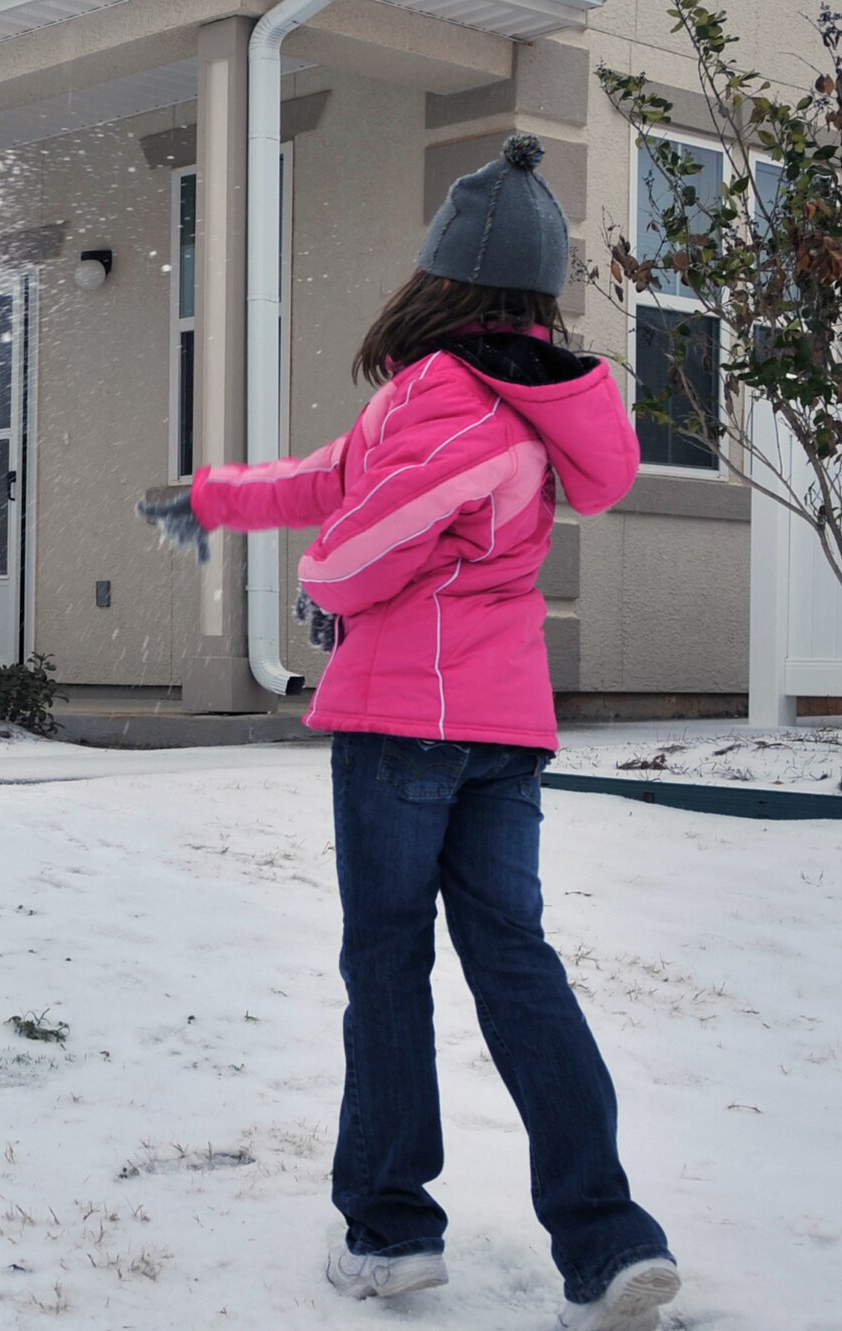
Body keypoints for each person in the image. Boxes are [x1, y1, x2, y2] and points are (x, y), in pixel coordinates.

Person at [142, 134, 680, 1331]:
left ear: (438, 275)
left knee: (385, 964)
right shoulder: (526, 390)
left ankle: (389, 1233)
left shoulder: (447, 390)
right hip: (501, 726)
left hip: (405, 726)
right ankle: (605, 1240)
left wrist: (319, 587)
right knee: (515, 963)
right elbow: (337, 474)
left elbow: (376, 529)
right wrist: (216, 497)